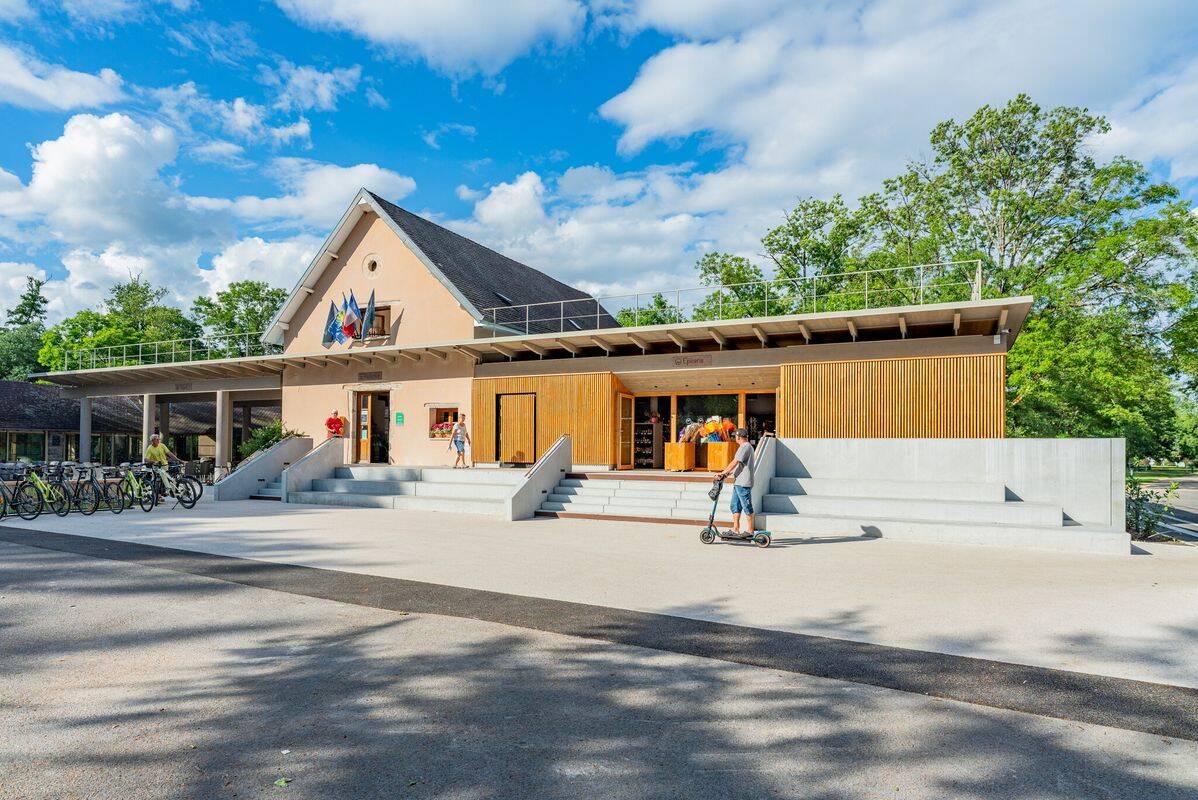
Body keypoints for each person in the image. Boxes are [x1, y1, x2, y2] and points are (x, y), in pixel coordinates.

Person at [716, 428, 755, 538]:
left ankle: (750, 531)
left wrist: (723, 472)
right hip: (739, 482)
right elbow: (740, 465)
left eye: (735, 436)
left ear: (738, 437)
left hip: (743, 483)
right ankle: (735, 529)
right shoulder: (746, 447)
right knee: (735, 506)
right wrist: (727, 474)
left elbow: (735, 462)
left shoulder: (745, 446)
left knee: (747, 506)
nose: (734, 438)